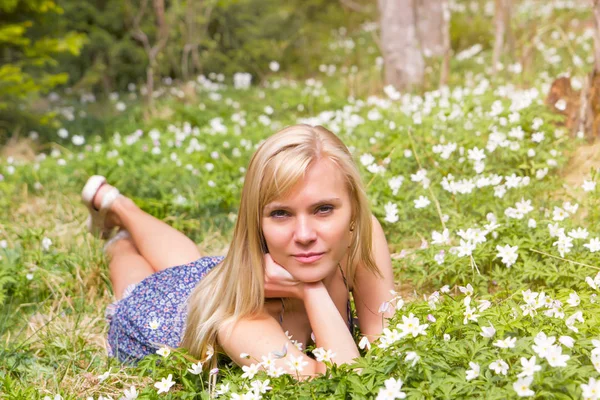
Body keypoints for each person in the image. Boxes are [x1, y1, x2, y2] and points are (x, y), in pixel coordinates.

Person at [82, 124, 395, 377]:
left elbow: (384, 339)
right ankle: (118, 233)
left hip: (215, 276)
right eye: (281, 213)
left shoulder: (361, 233)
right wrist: (309, 289)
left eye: (323, 209)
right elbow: (342, 383)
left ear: (354, 210)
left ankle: (113, 202)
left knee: (194, 264)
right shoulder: (237, 320)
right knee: (136, 275)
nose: (304, 235)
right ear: (256, 223)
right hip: (153, 317)